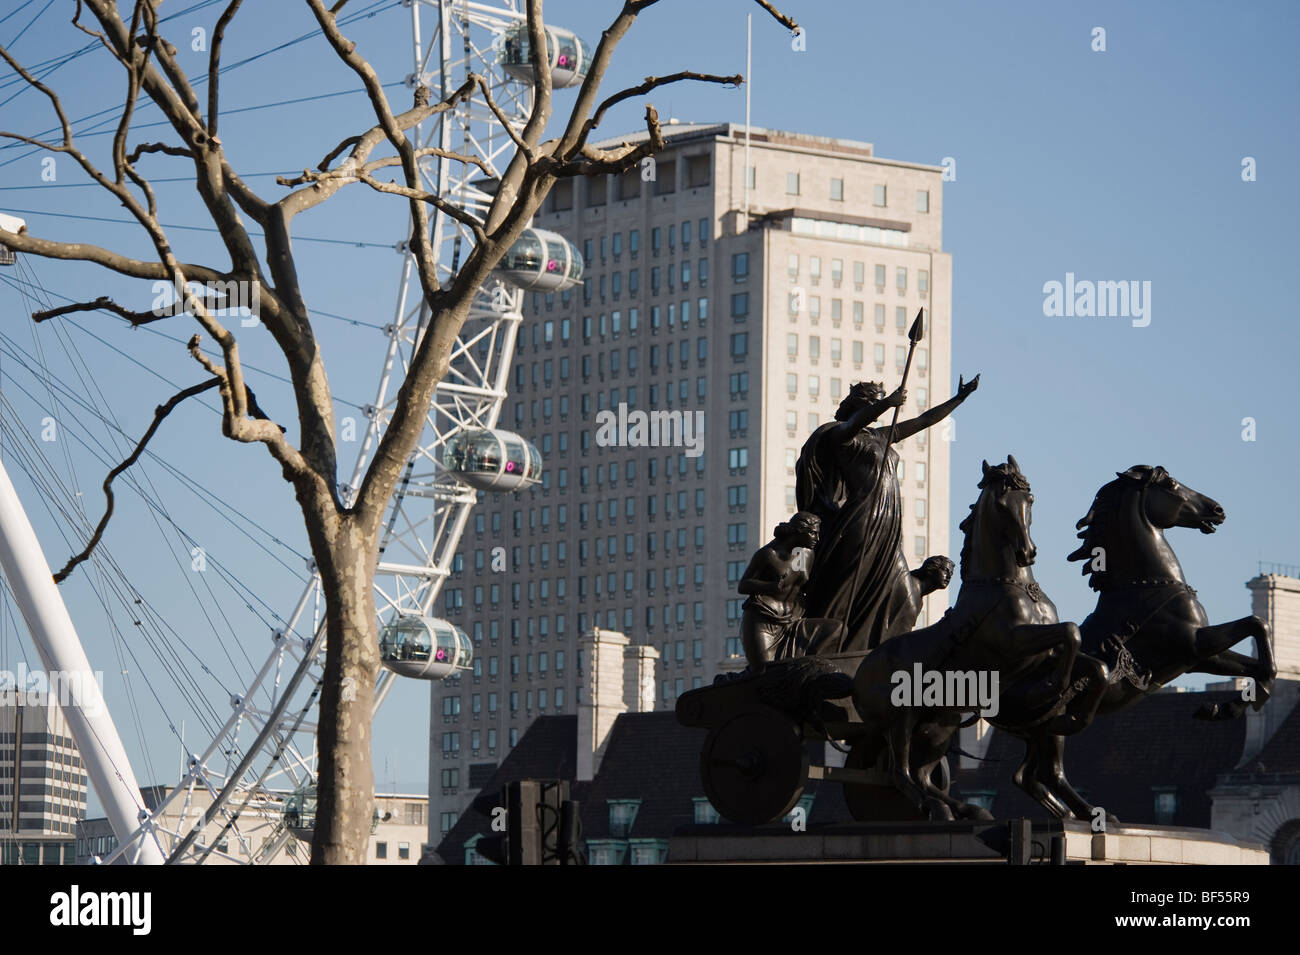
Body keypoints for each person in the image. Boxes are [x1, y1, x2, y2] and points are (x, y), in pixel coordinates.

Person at [798, 375, 978, 652]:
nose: (879, 409)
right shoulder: (840, 435)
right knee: (849, 580)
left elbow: (925, 420)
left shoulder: (880, 436)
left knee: (896, 580)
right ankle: (828, 643)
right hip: (862, 517)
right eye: (873, 404)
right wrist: (888, 403)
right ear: (859, 405)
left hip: (889, 519)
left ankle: (880, 644)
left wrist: (959, 399)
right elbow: (853, 424)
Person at [738, 513, 820, 673]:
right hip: (763, 622)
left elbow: (800, 582)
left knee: (836, 630)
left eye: (817, 533)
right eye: (812, 533)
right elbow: (743, 586)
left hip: (792, 620)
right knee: (765, 674)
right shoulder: (768, 555)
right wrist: (771, 587)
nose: (816, 537)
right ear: (798, 532)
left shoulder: (804, 554)